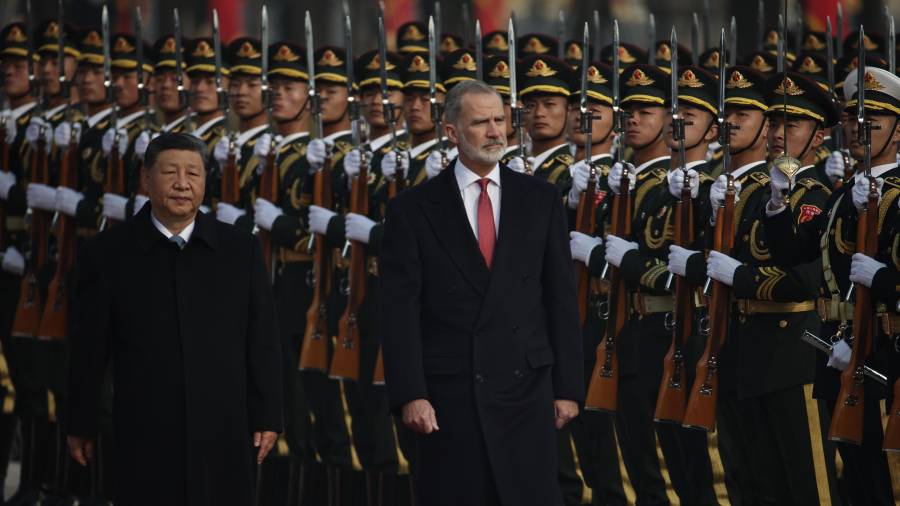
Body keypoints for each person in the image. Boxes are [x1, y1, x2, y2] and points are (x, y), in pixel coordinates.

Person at [380, 79, 583, 506]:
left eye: (499, 120)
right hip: (451, 393)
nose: (495, 132)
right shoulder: (412, 209)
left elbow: (561, 298)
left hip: (527, 389)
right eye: (480, 123)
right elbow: (400, 313)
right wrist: (411, 394)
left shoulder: (540, 199)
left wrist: (568, 388)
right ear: (451, 132)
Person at [66, 133, 283, 506]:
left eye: (193, 174)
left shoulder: (240, 250)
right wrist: (80, 422)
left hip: (224, 430)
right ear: (145, 179)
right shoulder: (107, 254)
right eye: (170, 173)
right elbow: (88, 349)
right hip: (145, 428)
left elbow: (262, 339)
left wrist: (268, 414)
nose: (183, 184)